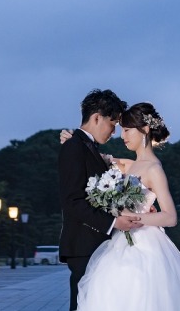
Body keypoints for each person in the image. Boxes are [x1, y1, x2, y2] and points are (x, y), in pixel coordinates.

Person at [61, 102, 180, 311]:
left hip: (143, 244)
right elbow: (91, 155)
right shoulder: (129, 164)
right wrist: (71, 140)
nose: (122, 136)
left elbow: (170, 216)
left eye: (127, 130)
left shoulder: (154, 169)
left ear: (145, 129)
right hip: (118, 242)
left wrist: (132, 218)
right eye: (121, 129)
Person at [58, 89, 143, 311]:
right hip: (83, 244)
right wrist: (113, 222)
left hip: (94, 244)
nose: (114, 132)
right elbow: (72, 201)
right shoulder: (74, 147)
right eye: (112, 124)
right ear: (97, 117)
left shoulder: (85, 147)